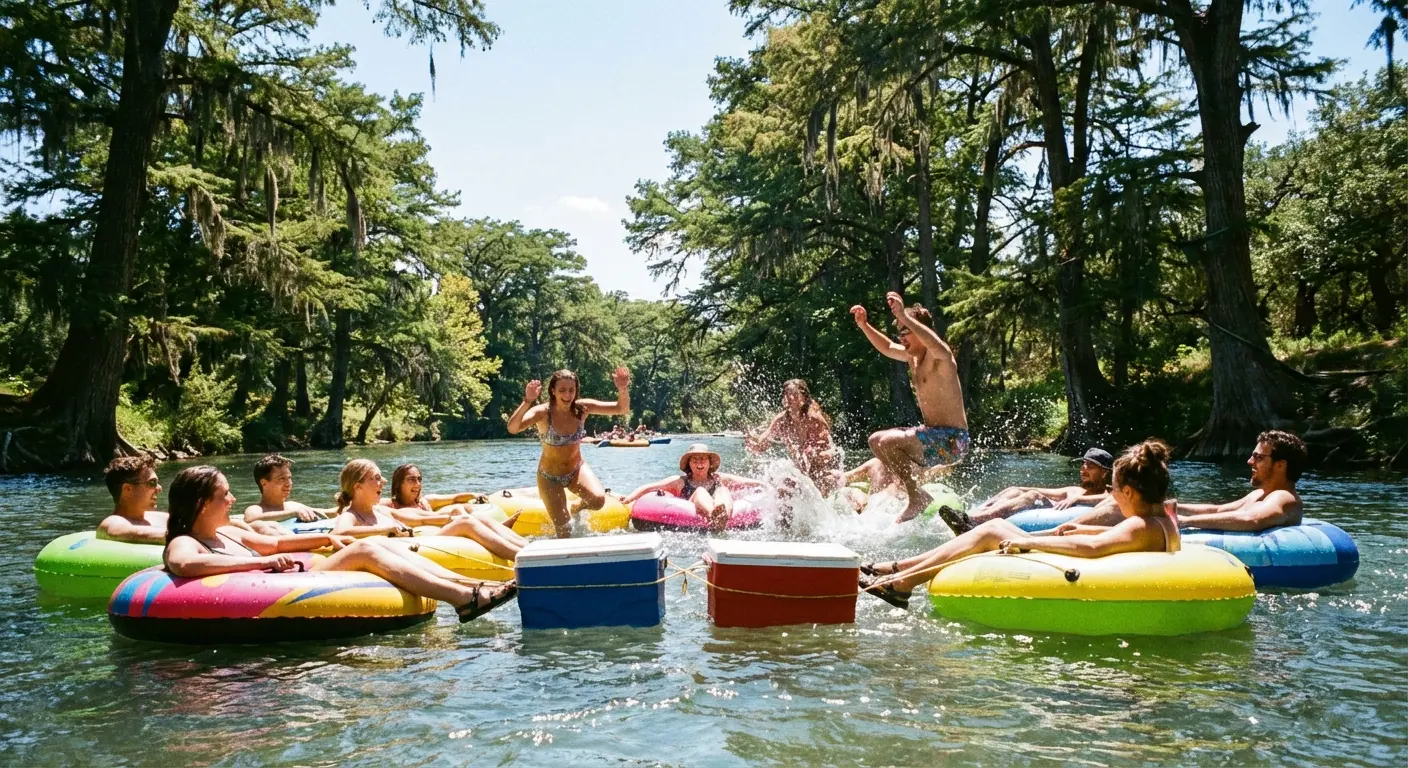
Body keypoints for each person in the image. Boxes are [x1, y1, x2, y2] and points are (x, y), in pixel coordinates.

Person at [161, 466, 516, 622]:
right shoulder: (185, 541)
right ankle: (463, 600)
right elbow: (185, 566)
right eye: (225, 495)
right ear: (203, 503)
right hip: (284, 585)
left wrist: (328, 537)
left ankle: (469, 587)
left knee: (382, 547)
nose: (233, 499)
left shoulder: (230, 532)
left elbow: (277, 543)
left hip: (296, 574)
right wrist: (258, 565)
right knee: (366, 550)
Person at [859, 439, 1179, 609]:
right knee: (992, 527)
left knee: (991, 530)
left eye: (1114, 490)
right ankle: (896, 570)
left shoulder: (1140, 525)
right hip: (1080, 560)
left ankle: (902, 580)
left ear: (1128, 491)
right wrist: (1082, 527)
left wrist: (1033, 542)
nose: (1112, 497)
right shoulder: (1160, 520)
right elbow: (1114, 538)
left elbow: (1094, 548)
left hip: (1073, 566)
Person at [850, 292, 970, 523]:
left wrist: (905, 315)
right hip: (932, 435)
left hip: (954, 441)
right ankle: (912, 489)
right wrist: (864, 325)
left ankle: (916, 495)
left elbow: (937, 344)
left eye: (906, 331)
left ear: (921, 331)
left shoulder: (941, 359)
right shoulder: (912, 358)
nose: (901, 337)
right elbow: (886, 346)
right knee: (876, 440)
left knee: (886, 442)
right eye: (900, 332)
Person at [1059, 430, 1308, 533]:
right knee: (1126, 501)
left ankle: (1059, 533)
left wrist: (1184, 520)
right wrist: (1171, 506)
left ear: (1281, 465)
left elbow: (1251, 520)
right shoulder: (1261, 495)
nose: (1250, 462)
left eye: (1258, 457)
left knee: (1122, 508)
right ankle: (1063, 531)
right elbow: (1219, 510)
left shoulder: (1283, 497)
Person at [507, 367, 631, 537]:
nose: (567, 395)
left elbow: (621, 409)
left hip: (576, 470)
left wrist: (622, 389)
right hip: (550, 478)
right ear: (553, 391)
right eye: (562, 390)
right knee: (565, 531)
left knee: (598, 500)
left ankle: (575, 507)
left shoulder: (582, 408)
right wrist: (527, 401)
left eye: (571, 390)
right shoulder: (543, 413)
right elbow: (513, 428)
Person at [330, 460, 524, 560]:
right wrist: (383, 530)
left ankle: (527, 549)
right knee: (465, 522)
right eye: (377, 478)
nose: (384, 481)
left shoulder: (381, 511)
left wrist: (449, 518)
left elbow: (421, 519)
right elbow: (339, 533)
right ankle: (522, 558)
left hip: (417, 541)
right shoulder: (352, 514)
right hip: (410, 550)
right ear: (358, 487)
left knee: (468, 519)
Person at [97, 456, 283, 544]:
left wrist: (251, 528)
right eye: (152, 483)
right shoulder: (114, 523)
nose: (159, 488)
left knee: (262, 526)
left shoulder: (159, 517)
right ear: (127, 489)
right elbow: (140, 535)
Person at [937, 447, 1115, 534]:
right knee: (1015, 491)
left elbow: (1108, 501)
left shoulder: (1110, 494)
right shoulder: (1074, 489)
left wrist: (1077, 500)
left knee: (1033, 496)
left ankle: (971, 521)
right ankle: (969, 515)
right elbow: (1037, 489)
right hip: (1041, 510)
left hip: (1048, 515)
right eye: (1083, 464)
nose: (1083, 469)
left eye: (1090, 466)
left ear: (1105, 472)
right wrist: (1014, 489)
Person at [386, 463, 529, 559]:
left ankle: (529, 548)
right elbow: (371, 505)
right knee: (461, 516)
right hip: (428, 542)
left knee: (466, 512)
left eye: (419, 479)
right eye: (411, 480)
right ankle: (521, 555)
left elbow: (454, 498)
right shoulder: (391, 505)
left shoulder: (425, 501)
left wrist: (474, 495)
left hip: (448, 532)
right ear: (399, 484)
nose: (417, 484)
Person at [620, 443, 762, 530]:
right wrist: (627, 500)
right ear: (689, 464)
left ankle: (723, 516)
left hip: (721, 507)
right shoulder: (680, 481)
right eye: (695, 459)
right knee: (700, 491)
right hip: (696, 508)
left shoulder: (720, 478)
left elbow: (745, 482)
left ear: (709, 463)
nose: (699, 463)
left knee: (723, 489)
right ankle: (714, 514)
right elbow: (648, 488)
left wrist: (767, 485)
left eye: (703, 459)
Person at [745, 379, 841, 494]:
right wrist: (755, 445)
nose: (790, 398)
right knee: (782, 488)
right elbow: (765, 440)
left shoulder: (814, 419)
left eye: (795, 394)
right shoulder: (782, 420)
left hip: (823, 470)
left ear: (804, 398)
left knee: (821, 484)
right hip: (800, 472)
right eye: (787, 394)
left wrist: (813, 453)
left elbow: (830, 452)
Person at [242, 455, 335, 524]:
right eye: (282, 479)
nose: (289, 483)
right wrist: (293, 513)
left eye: (289, 478)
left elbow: (329, 513)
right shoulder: (256, 509)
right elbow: (250, 519)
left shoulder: (293, 505)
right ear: (264, 483)